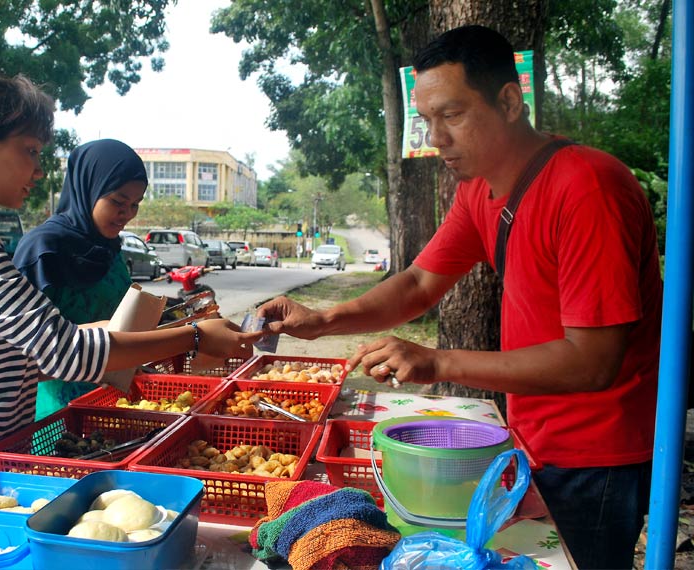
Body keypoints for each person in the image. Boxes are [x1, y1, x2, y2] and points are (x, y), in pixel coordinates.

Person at [258, 25, 660, 570]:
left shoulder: (586, 188)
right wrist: (325, 318)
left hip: (595, 456)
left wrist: (436, 360)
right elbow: (420, 284)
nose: (436, 138)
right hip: (528, 436)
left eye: (452, 114)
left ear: (510, 101)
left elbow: (593, 363)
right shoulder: (481, 190)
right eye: (426, 120)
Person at [0, 57, 259, 517]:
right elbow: (65, 353)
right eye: (30, 151)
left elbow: (30, 346)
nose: (39, 170)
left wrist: (165, 327)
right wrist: (195, 336)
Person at [13, 139, 148, 420]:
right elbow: (22, 350)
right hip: (55, 411)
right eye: (118, 201)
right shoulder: (43, 250)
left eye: (135, 204)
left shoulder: (110, 249)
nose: (127, 214)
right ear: (88, 188)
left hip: (113, 401)